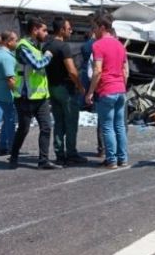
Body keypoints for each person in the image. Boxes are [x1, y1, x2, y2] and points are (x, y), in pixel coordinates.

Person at [9, 17, 58, 170]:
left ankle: (43, 161)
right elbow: (37, 65)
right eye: (44, 30)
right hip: (25, 97)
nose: (47, 33)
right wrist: (48, 56)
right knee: (23, 129)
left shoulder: (36, 46)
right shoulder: (23, 46)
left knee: (46, 127)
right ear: (35, 30)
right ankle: (14, 155)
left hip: (40, 96)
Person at [86, 13, 129, 170]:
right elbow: (125, 72)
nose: (93, 31)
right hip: (120, 89)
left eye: (95, 28)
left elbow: (97, 70)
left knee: (107, 126)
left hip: (107, 89)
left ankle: (111, 160)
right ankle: (123, 158)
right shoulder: (120, 45)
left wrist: (90, 92)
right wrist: (122, 86)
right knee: (120, 126)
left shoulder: (98, 45)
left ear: (102, 27)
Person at [45, 17, 88, 166]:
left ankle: (59, 153)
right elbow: (71, 70)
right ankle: (71, 153)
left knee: (58, 122)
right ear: (62, 29)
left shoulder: (47, 46)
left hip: (52, 87)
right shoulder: (63, 47)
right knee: (71, 122)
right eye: (69, 28)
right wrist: (80, 85)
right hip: (66, 88)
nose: (71, 30)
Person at [0, 30, 19, 155]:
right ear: (9, 42)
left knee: (7, 119)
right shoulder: (6, 57)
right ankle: (11, 147)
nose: (17, 43)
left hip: (0, 91)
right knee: (10, 121)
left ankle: (3, 145)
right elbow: (10, 79)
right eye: (15, 40)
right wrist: (18, 94)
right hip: (8, 94)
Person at [79, 25, 104, 158]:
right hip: (110, 85)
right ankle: (114, 151)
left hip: (96, 82)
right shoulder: (100, 45)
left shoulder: (89, 46)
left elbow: (93, 72)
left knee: (102, 119)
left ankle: (102, 148)